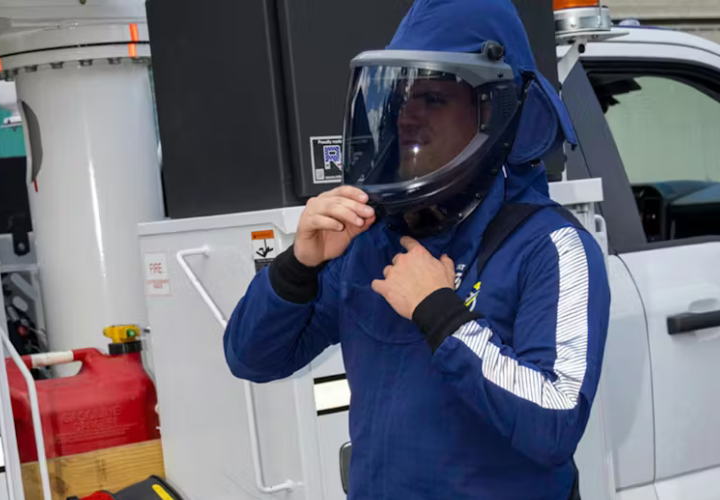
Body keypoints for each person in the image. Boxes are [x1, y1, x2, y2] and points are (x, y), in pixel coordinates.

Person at [224, 0, 610, 498]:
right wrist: (298, 266)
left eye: (431, 99)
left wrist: (443, 316)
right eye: (401, 99)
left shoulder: (549, 246)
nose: (406, 118)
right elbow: (252, 359)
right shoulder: (369, 241)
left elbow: (555, 422)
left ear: (493, 110)